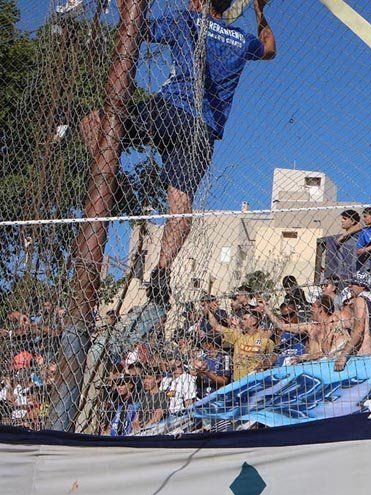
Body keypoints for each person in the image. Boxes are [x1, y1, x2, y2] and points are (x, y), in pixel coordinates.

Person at [82, 0, 276, 305]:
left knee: (93, 121)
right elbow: (270, 49)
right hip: (202, 131)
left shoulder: (185, 19)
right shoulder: (240, 38)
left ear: (198, 2)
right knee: (181, 205)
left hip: (169, 111)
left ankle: (112, 180)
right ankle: (162, 270)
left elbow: (137, 28)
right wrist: (260, 12)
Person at [207, 307, 275, 381]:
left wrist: (260, 367)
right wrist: (208, 310)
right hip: (237, 382)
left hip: (255, 381)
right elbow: (216, 326)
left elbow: (274, 357)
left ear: (254, 321)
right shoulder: (238, 335)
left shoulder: (264, 339)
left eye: (245, 319)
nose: (242, 321)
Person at [340, 272, 371, 367]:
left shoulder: (360, 299)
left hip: (365, 356)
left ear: (363, 286)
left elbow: (359, 329)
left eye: (354, 283)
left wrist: (343, 356)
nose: (349, 286)